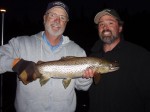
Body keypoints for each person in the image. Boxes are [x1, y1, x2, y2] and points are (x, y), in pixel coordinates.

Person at [0, 1, 94, 112]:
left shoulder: (78, 51)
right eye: (53, 15)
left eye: (62, 17)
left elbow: (83, 87)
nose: (57, 21)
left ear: (66, 23)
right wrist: (16, 64)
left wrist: (86, 78)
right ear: (44, 18)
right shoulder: (21, 43)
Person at [88, 9, 150, 112]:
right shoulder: (91, 57)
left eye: (110, 23)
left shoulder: (140, 55)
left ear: (120, 28)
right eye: (101, 24)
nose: (105, 27)